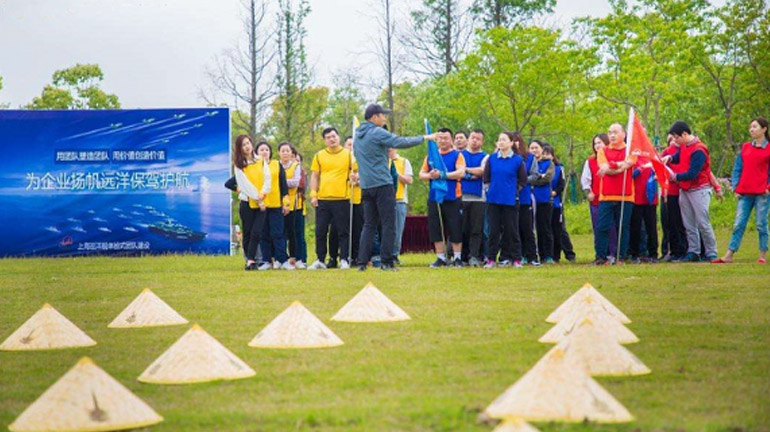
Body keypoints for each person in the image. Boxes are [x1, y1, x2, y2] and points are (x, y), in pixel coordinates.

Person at [353, 103, 435, 271]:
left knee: (369, 225)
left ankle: (361, 263)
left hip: (366, 187)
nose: (385, 118)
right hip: (382, 184)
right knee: (389, 224)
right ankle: (387, 262)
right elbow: (399, 141)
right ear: (374, 117)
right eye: (383, 115)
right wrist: (425, 138)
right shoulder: (376, 132)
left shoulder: (358, 136)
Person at [713, 117, 770, 264]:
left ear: (764, 129)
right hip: (745, 193)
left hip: (762, 193)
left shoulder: (768, 149)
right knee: (739, 223)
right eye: (750, 127)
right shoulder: (745, 148)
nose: (751, 129)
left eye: (755, 127)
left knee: (761, 224)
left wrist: (768, 188)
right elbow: (737, 168)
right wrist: (736, 187)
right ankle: (729, 254)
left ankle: (762, 254)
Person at [663, 121, 718, 262]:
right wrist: (669, 158)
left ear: (685, 134)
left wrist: (675, 177)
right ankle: (694, 251)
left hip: (699, 189)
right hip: (685, 189)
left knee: (702, 222)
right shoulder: (684, 147)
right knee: (688, 223)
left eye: (676, 137)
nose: (675, 141)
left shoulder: (699, 150)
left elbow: (693, 172)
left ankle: (711, 252)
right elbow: (679, 157)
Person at [308, 127, 355, 270]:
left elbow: (356, 173)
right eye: (328, 137)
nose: (332, 139)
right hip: (323, 198)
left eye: (334, 136)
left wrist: (354, 177)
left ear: (338, 137)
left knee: (343, 231)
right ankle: (320, 259)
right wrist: (313, 194)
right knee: (321, 230)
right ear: (324, 140)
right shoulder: (319, 155)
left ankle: (344, 259)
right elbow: (315, 176)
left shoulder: (348, 155)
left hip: (342, 198)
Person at [419, 127, 466, 268]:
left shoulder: (457, 155)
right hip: (435, 197)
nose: (443, 141)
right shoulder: (430, 156)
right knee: (436, 228)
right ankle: (440, 257)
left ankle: (457, 257)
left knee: (455, 227)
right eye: (440, 138)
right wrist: (431, 176)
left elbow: (461, 173)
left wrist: (443, 175)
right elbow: (421, 174)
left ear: (451, 140)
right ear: (436, 140)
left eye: (446, 138)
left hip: (452, 196)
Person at [594, 123, 637, 265]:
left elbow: (628, 164)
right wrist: (619, 166)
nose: (612, 135)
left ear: (623, 134)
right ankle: (601, 257)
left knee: (623, 227)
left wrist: (612, 165)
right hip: (606, 195)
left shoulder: (631, 150)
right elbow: (605, 168)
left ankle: (622, 257)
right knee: (603, 227)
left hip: (626, 195)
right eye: (609, 132)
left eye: (615, 132)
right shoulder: (602, 151)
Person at [226, 135, 271, 270]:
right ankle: (250, 260)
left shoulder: (261, 161)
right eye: (243, 145)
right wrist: (257, 198)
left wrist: (262, 196)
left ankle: (252, 259)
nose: (247, 146)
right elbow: (245, 185)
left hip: (262, 202)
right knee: (248, 232)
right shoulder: (239, 165)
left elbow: (267, 180)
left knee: (257, 232)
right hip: (247, 203)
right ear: (240, 149)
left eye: (248, 143)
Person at [482, 132, 526, 268]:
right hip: (493, 199)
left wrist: (513, 190)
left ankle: (516, 259)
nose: (501, 142)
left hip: (510, 200)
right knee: (493, 231)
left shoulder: (518, 160)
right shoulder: (492, 159)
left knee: (512, 230)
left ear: (511, 143)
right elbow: (486, 178)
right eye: (499, 140)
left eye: (504, 140)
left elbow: (522, 180)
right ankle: (491, 259)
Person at [255, 142, 291, 270]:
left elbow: (283, 185)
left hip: (276, 205)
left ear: (270, 152)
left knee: (278, 233)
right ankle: (266, 260)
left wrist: (286, 203)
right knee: (264, 234)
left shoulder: (277, 164)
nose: (264, 152)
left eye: (266, 150)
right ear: (257, 153)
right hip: (261, 205)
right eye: (261, 150)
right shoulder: (254, 166)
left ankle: (282, 260)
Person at [581, 133, 617, 261]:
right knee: (598, 227)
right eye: (595, 143)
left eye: (599, 142)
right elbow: (585, 179)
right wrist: (588, 192)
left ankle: (614, 253)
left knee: (612, 227)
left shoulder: (612, 160)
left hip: (611, 197)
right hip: (596, 200)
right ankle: (601, 254)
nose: (597, 146)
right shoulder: (590, 161)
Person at [543, 144, 576, 263]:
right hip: (544, 203)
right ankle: (553, 255)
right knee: (548, 229)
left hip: (556, 203)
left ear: (552, 155)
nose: (545, 156)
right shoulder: (539, 167)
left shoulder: (558, 168)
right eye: (544, 153)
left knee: (559, 230)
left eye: (548, 154)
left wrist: (555, 192)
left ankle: (569, 253)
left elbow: (561, 185)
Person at [460, 129, 487, 266]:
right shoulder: (460, 154)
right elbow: (458, 171)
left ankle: (474, 256)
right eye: (472, 137)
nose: (474, 140)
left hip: (479, 198)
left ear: (482, 141)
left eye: (478, 138)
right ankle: (461, 257)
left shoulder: (485, 156)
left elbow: (483, 171)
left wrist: (466, 170)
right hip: (461, 196)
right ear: (468, 139)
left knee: (476, 229)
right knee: (462, 228)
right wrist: (472, 173)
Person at [659, 134, 687, 261]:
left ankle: (686, 249)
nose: (673, 141)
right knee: (671, 223)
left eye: (675, 138)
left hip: (684, 189)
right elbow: (660, 170)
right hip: (670, 191)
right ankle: (674, 251)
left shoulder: (686, 149)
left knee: (684, 223)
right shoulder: (667, 152)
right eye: (670, 139)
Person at [628, 158, 659, 263]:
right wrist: (640, 169)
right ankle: (635, 254)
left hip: (650, 198)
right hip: (636, 198)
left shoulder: (652, 157)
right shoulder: (632, 158)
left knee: (651, 227)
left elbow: (661, 172)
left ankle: (653, 254)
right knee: (635, 227)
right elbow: (631, 176)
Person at [529, 140, 555, 264]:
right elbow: (524, 179)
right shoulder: (527, 162)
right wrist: (539, 176)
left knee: (544, 228)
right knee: (529, 228)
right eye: (532, 148)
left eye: (536, 148)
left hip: (544, 199)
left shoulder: (548, 163)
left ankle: (548, 255)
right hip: (529, 200)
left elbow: (547, 179)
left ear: (541, 149)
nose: (534, 150)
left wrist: (535, 178)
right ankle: (531, 254)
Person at [515, 132, 539, 266]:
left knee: (527, 228)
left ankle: (532, 256)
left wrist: (522, 181)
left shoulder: (529, 158)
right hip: (510, 199)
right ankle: (519, 255)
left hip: (525, 198)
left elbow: (535, 175)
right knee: (514, 229)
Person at [278, 142, 302, 267]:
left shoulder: (295, 165)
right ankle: (280, 257)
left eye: (288, 150)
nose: (285, 153)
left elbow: (296, 182)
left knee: (292, 231)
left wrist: (281, 182)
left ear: (291, 153)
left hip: (292, 203)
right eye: (283, 151)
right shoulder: (275, 166)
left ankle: (293, 257)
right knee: (279, 232)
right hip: (277, 203)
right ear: (278, 153)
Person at [390, 148, 413, 264]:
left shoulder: (404, 161)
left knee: (397, 230)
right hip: (383, 201)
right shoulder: (381, 160)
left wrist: (397, 174)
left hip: (399, 199)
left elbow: (409, 180)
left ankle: (394, 255)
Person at [292, 149, 308, 268]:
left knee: (299, 234)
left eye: (298, 160)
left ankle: (302, 258)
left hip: (299, 206)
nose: (295, 162)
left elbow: (300, 185)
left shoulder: (302, 173)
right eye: (294, 159)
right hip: (286, 206)